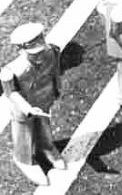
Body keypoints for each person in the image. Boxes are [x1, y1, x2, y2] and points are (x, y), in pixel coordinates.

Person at [0, 22, 65, 186]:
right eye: (34, 53)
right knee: (24, 135)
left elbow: (55, 71)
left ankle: (47, 147)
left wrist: (57, 88)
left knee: (45, 127)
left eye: (40, 50)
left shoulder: (52, 52)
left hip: (44, 99)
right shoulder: (11, 71)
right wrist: (27, 108)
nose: (39, 56)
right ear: (21, 49)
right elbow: (11, 93)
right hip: (24, 109)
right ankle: (24, 160)